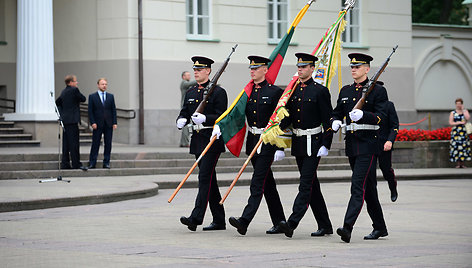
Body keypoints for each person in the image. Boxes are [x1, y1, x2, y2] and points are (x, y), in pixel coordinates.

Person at [213, 55, 286, 235]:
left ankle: (244, 220)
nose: (252, 71)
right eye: (251, 69)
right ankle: (280, 221)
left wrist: (280, 146)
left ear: (265, 70)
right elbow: (236, 114)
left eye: (256, 68)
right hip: (253, 141)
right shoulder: (248, 92)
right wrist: (221, 125)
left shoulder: (275, 92)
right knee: (267, 184)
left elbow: (282, 119)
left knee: (257, 182)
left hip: (268, 142)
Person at [331, 53, 389, 243]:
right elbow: (337, 111)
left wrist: (363, 115)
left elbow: (382, 117)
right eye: (352, 67)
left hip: (369, 145)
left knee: (357, 185)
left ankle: (347, 227)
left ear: (367, 69)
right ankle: (380, 227)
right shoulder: (345, 91)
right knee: (368, 187)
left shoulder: (378, 91)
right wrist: (336, 121)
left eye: (358, 66)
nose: (353, 69)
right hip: (352, 146)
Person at [276, 53, 334, 238]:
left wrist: (326, 144)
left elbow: (328, 120)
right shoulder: (292, 91)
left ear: (311, 69)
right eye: (298, 66)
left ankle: (292, 222)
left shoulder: (320, 91)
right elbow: (291, 118)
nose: (300, 69)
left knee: (305, 184)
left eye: (304, 66)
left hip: (314, 143)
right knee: (312, 186)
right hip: (299, 143)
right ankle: (325, 225)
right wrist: (277, 127)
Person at [176, 56, 228, 232]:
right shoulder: (190, 92)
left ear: (208, 71)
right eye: (195, 70)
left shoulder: (219, 93)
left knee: (204, 177)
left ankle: (196, 217)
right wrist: (181, 119)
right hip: (197, 139)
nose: (196, 72)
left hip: (212, 139)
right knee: (210, 180)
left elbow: (223, 116)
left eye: (199, 70)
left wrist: (208, 118)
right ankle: (219, 220)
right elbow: (184, 111)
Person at [55, 75, 88, 171]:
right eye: (75, 81)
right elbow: (83, 99)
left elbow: (57, 103)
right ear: (70, 82)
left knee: (66, 143)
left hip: (65, 121)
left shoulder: (63, 92)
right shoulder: (74, 90)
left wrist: (62, 114)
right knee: (74, 143)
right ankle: (76, 163)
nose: (76, 83)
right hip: (73, 120)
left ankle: (65, 163)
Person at [88, 78, 117, 169]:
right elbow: (90, 111)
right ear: (98, 85)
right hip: (97, 124)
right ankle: (92, 162)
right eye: (102, 84)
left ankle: (106, 162)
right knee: (95, 143)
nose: (104, 86)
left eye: (105, 84)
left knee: (108, 144)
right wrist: (92, 122)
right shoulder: (92, 96)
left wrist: (114, 122)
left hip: (108, 124)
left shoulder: (110, 96)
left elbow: (113, 110)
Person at [378, 100, 399, 202]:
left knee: (386, 169)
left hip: (384, 142)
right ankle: (372, 197)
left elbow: (394, 125)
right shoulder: (365, 102)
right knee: (369, 173)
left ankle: (393, 188)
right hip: (369, 143)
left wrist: (390, 140)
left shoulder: (388, 105)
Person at [449, 98, 471, 168]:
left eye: (460, 104)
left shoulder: (465, 111)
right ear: (455, 104)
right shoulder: (453, 112)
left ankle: (463, 164)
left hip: (463, 131)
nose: (458, 105)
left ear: (462, 104)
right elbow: (450, 122)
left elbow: (467, 118)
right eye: (457, 104)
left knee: (463, 146)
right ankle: (458, 164)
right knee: (457, 147)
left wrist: (463, 110)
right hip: (456, 132)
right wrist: (458, 122)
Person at [179, 71, 197, 147]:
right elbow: (191, 84)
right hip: (185, 106)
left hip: (188, 106)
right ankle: (184, 143)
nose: (189, 76)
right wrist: (201, 79)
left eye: (190, 75)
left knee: (187, 126)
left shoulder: (188, 84)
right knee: (186, 126)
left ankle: (184, 142)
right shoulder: (184, 83)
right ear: (183, 77)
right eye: (187, 75)